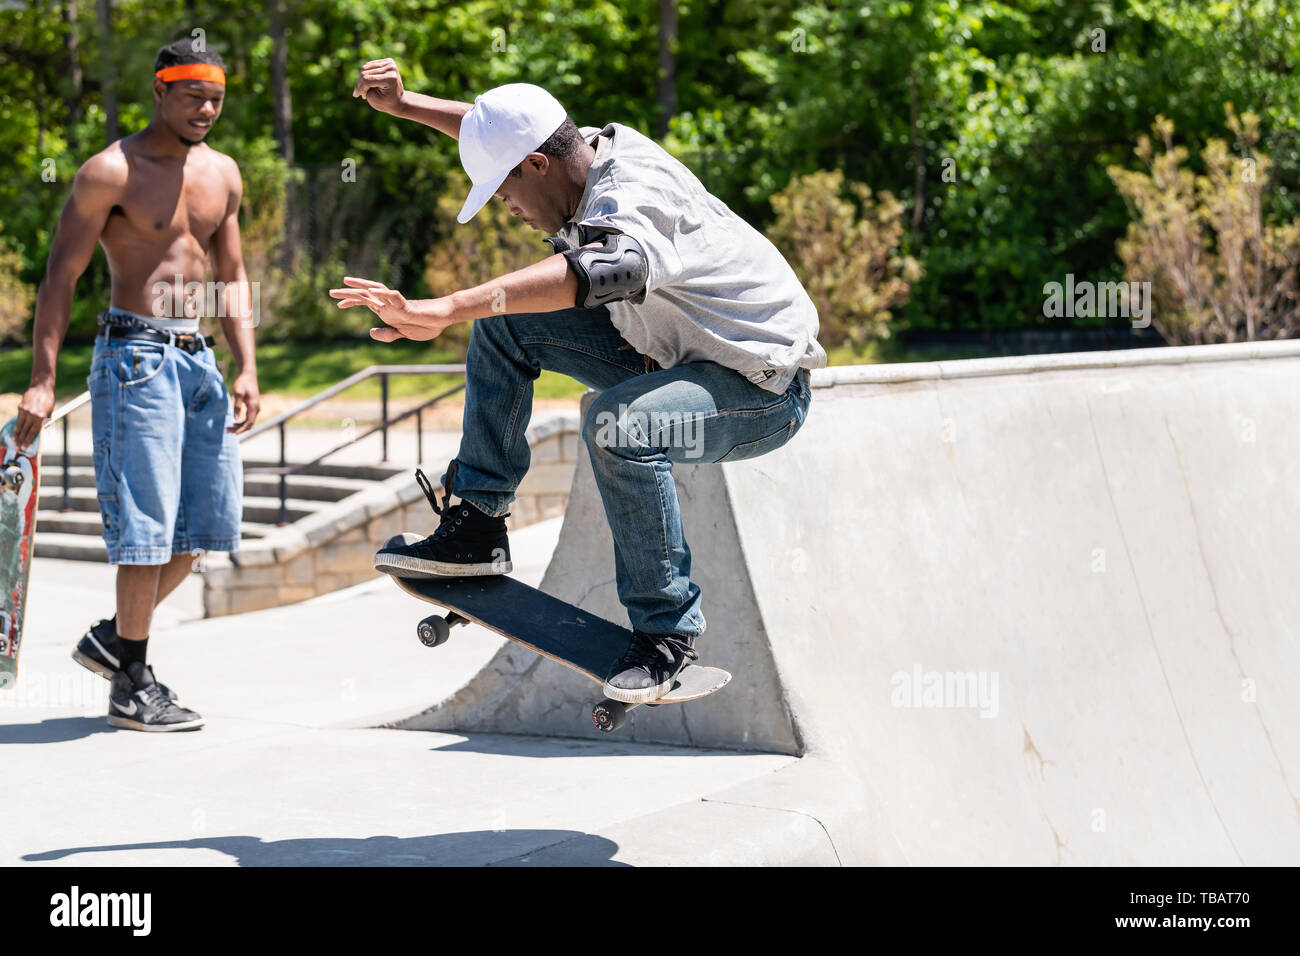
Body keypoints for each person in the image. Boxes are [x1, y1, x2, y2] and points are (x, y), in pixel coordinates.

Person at [333, 60, 823, 704]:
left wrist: (446, 307)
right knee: (505, 328)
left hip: (758, 390)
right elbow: (502, 129)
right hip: (674, 355)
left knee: (619, 425)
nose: (507, 210)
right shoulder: (574, 148)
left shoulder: (631, 197)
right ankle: (478, 524)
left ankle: (667, 636)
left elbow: (598, 272)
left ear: (538, 165)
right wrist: (407, 106)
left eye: (505, 193)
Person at [13, 40, 260, 731]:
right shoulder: (109, 171)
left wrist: (246, 364)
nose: (207, 110)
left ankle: (111, 640)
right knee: (145, 534)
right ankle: (132, 681)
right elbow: (59, 275)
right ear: (160, 90)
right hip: (135, 360)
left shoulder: (224, 174)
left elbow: (234, 277)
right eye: (192, 98)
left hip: (200, 360)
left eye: (215, 98)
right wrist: (41, 380)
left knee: (204, 528)